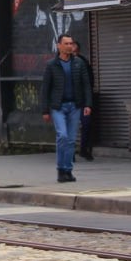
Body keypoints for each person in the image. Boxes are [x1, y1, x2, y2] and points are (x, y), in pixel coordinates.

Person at [40, 34, 93, 183]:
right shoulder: (52, 65)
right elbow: (45, 89)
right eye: (66, 43)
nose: (70, 46)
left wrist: (88, 104)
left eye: (71, 43)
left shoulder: (78, 63)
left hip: (75, 106)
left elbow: (86, 85)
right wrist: (45, 110)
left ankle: (67, 170)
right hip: (58, 106)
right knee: (62, 135)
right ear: (59, 46)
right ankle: (60, 169)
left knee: (70, 140)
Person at [73, 40, 94, 161]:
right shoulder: (61, 63)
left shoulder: (83, 63)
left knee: (86, 124)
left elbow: (89, 84)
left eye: (75, 51)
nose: (73, 54)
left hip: (82, 101)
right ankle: (71, 153)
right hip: (69, 101)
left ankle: (84, 149)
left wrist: (88, 103)